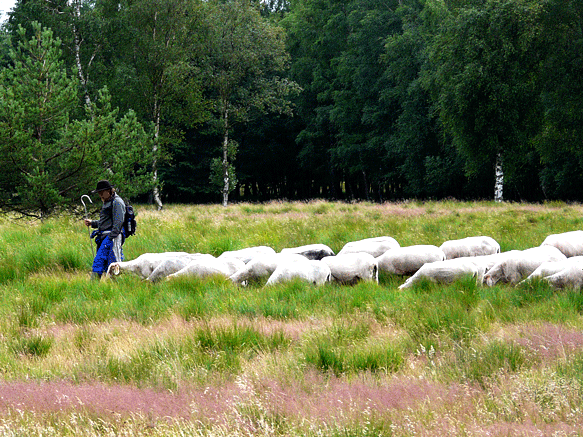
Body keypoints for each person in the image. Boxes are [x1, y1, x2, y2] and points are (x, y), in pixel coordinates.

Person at [84, 180, 126, 279]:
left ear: (109, 191)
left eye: (102, 193)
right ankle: (95, 287)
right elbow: (105, 223)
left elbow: (118, 223)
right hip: (105, 237)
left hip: (113, 238)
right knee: (101, 262)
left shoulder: (117, 202)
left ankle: (118, 287)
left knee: (113, 263)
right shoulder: (107, 202)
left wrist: (110, 238)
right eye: (99, 193)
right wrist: (93, 223)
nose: (100, 196)